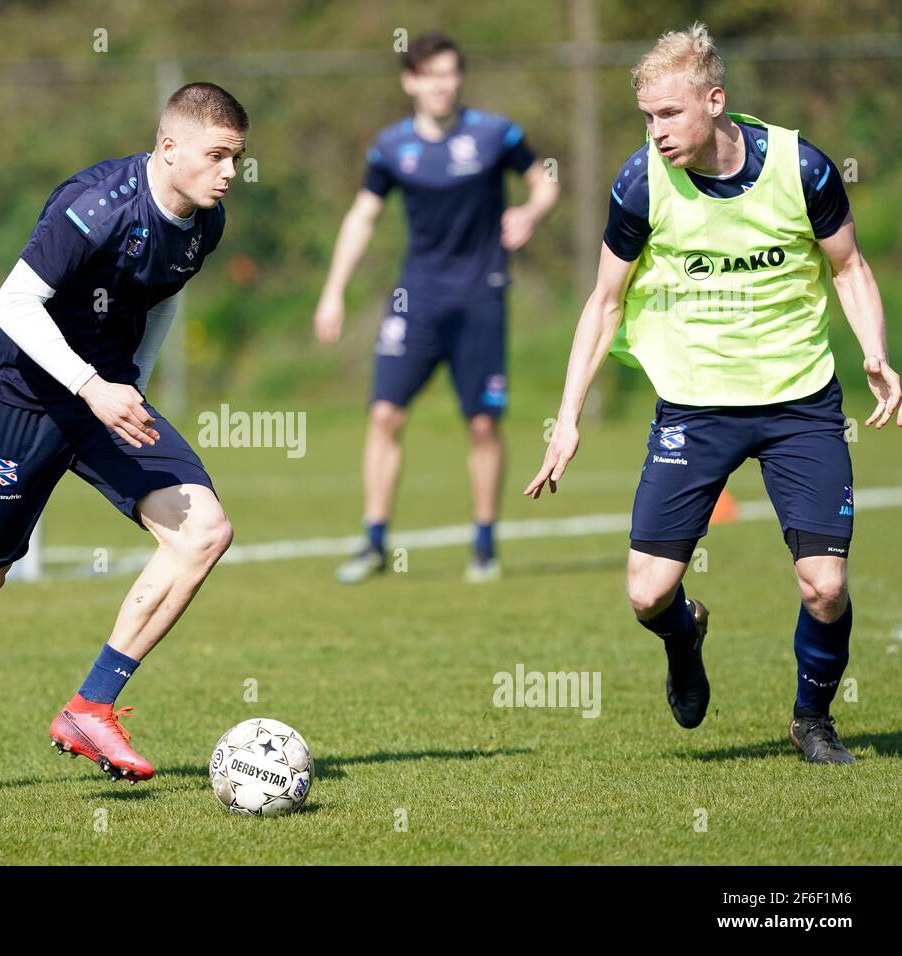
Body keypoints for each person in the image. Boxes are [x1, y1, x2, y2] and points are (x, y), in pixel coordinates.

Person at [525, 23, 899, 764]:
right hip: (695, 408)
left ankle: (813, 720)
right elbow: (604, 302)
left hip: (800, 404)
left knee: (824, 585)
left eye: (668, 113)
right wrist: (565, 419)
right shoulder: (640, 184)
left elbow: (849, 269)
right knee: (646, 594)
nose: (655, 131)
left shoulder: (804, 168)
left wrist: (876, 353)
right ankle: (684, 636)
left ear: (714, 100)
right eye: (646, 117)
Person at [0, 83, 248, 792]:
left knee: (203, 532)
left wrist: (129, 380)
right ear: (169, 148)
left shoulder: (205, 223)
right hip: (14, 396)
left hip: (102, 396)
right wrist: (91, 385)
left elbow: (163, 296)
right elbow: (13, 303)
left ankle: (91, 705)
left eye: (237, 158)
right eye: (217, 156)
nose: (230, 173)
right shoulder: (97, 207)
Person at [314, 32, 558, 584]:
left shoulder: (495, 134)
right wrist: (333, 290)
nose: (442, 84)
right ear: (411, 82)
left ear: (458, 78)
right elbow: (362, 217)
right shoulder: (391, 147)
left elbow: (544, 181)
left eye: (450, 73)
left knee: (481, 424)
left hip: (480, 297)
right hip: (415, 299)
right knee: (384, 413)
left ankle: (484, 545)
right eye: (430, 74)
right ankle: (375, 541)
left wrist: (530, 213)